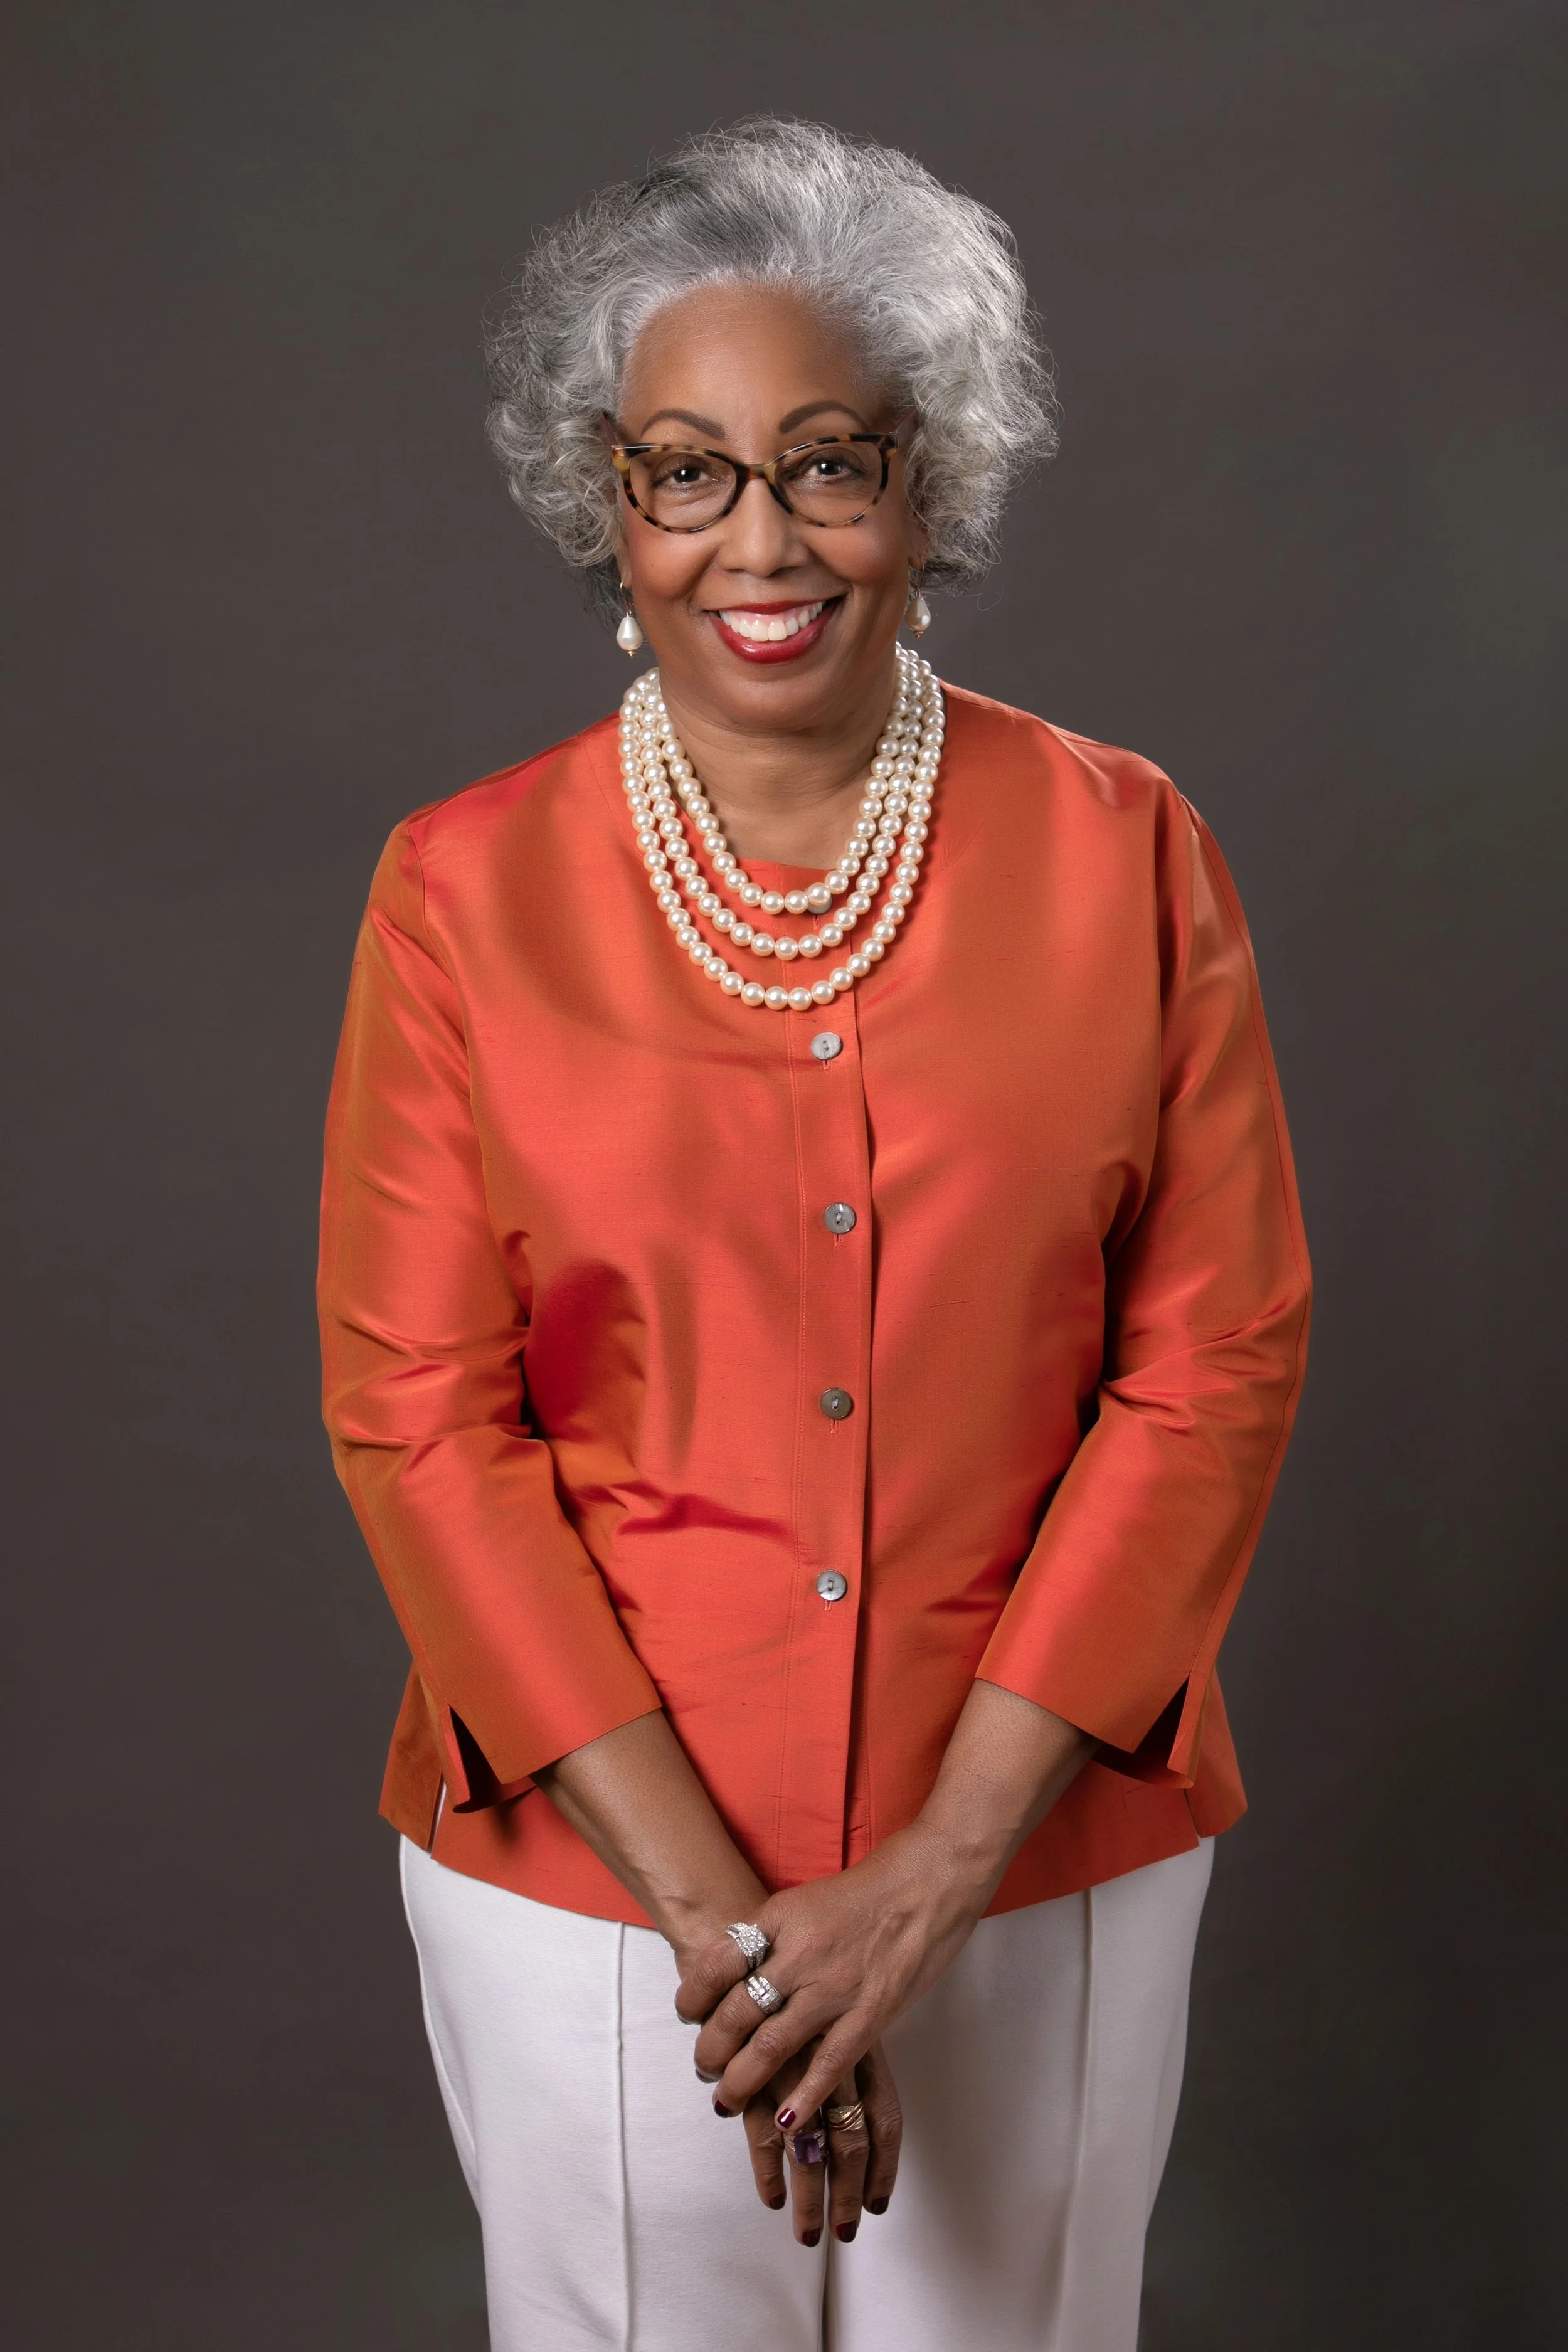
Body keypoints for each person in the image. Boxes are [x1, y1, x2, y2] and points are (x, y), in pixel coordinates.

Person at [317, 117, 1310, 2352]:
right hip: (590, 1892)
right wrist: (727, 1927)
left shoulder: (1127, 849)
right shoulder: (460, 892)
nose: (759, 539)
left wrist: (937, 1868)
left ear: (933, 485)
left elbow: (1212, 1363)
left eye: (828, 462)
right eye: (686, 469)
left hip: (1036, 1861)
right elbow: (416, 1417)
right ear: (608, 503)